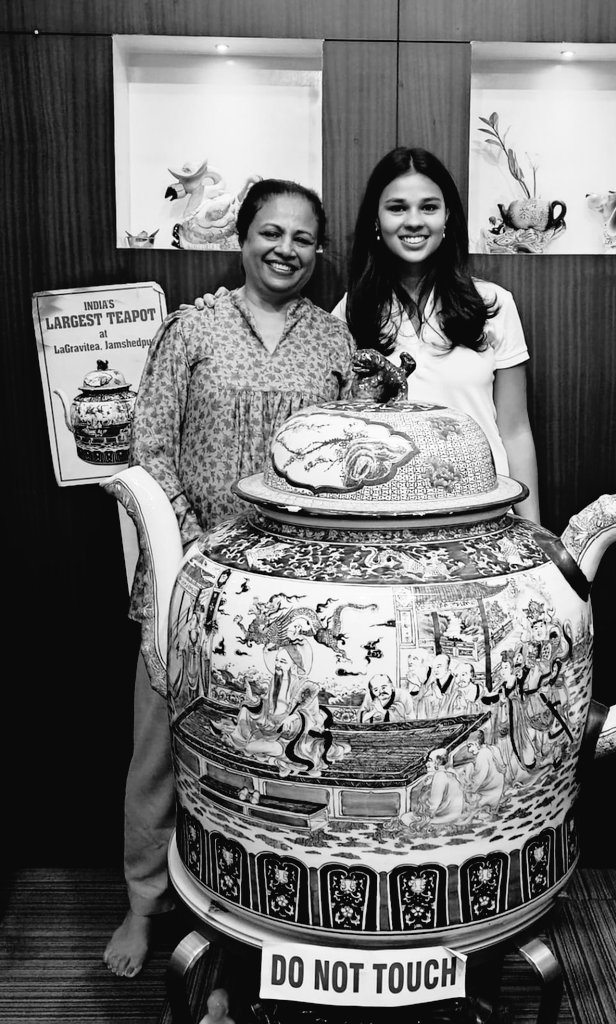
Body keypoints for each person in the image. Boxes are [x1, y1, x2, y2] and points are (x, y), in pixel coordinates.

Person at [103, 179, 357, 978]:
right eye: (270, 233)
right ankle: (142, 902)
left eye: (303, 239)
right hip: (189, 579)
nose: (286, 250)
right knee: (159, 748)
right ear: (242, 238)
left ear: (319, 253)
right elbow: (151, 448)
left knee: (270, 758)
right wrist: (198, 551)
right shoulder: (192, 327)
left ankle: (260, 923)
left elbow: (354, 463)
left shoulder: (335, 344)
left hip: (295, 597)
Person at [333, 146, 539, 522]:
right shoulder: (350, 311)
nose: (414, 221)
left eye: (429, 207)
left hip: (481, 513)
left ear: (447, 218)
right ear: (376, 222)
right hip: (385, 515)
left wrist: (534, 530)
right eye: (397, 208)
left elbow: (515, 430)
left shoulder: (494, 303)